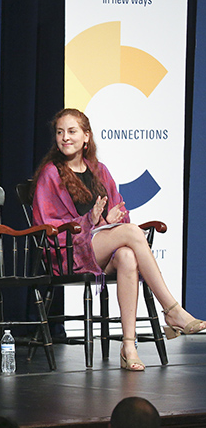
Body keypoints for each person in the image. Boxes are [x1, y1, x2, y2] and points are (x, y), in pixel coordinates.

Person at [32, 108, 206, 371]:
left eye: (72, 131)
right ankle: (171, 309)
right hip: (69, 253)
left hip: (101, 250)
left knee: (127, 255)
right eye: (60, 132)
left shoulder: (100, 171)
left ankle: (128, 346)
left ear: (86, 137)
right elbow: (46, 225)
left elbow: (120, 218)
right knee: (133, 233)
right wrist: (92, 220)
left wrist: (106, 220)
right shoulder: (51, 174)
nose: (65, 138)